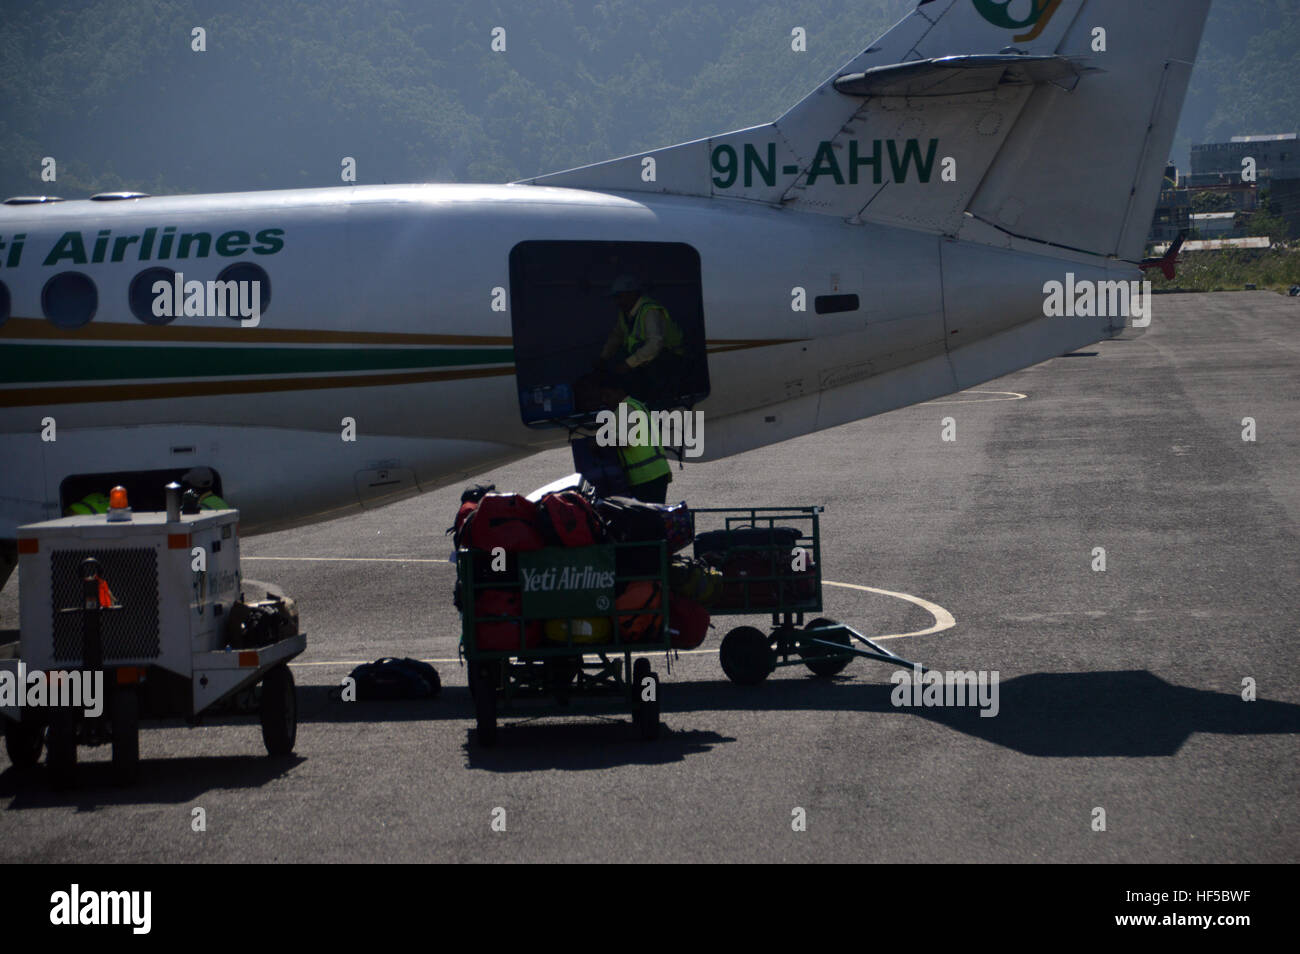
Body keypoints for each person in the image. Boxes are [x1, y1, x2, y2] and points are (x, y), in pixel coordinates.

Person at [575, 374, 673, 504]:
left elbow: (626, 439)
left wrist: (599, 442)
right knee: (653, 519)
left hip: (646, 476)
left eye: (607, 395)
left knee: (648, 521)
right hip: (654, 472)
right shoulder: (636, 404)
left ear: (619, 392)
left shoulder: (625, 408)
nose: (605, 400)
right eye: (602, 396)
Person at [597, 275, 686, 408]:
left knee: (653, 378)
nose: (617, 301)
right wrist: (603, 357)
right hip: (647, 358)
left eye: (619, 296)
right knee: (620, 362)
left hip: (670, 357)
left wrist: (628, 364)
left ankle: (660, 406)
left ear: (632, 294)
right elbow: (616, 336)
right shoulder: (625, 312)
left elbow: (655, 344)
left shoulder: (649, 311)